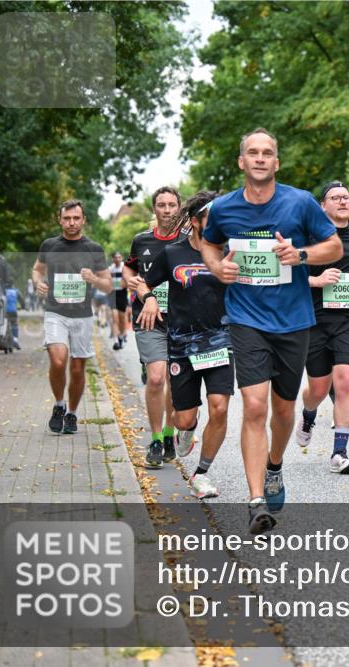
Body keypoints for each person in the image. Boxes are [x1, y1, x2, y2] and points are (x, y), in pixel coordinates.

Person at [201, 128, 341, 534]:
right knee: (254, 406)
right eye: (253, 152)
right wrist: (217, 268)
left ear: (276, 162)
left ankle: (275, 465)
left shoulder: (300, 202)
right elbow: (208, 244)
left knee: (282, 410)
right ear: (241, 161)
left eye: (267, 153)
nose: (260, 158)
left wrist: (301, 254)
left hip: (293, 320)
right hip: (246, 319)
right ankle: (255, 500)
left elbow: (334, 246)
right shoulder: (224, 208)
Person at [137, 190, 230, 497]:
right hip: (182, 345)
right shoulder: (172, 253)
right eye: (212, 218)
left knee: (220, 408)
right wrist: (149, 298)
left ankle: (201, 474)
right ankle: (186, 430)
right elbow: (143, 283)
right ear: (195, 221)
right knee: (183, 418)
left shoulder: (229, 251)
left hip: (220, 341)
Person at [293, 181, 349, 474]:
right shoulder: (309, 237)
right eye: (335, 198)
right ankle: (308, 414)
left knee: (345, 381)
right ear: (322, 206)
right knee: (318, 388)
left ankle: (339, 453)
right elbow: (289, 276)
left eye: (346, 197)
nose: (343, 201)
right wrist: (316, 281)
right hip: (315, 322)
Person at [31, 200, 111, 434]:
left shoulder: (93, 248)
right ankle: (59, 405)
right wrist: (38, 283)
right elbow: (37, 269)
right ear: (60, 220)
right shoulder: (49, 245)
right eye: (67, 218)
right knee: (58, 361)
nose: (72, 222)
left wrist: (93, 279)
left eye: (76, 218)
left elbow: (107, 286)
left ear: (83, 220)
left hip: (82, 316)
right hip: (55, 312)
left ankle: (72, 413)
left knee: (77, 369)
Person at [124, 187, 186, 465]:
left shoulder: (188, 241)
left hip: (181, 320)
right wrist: (130, 279)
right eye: (162, 205)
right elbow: (130, 267)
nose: (167, 210)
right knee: (157, 377)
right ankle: (157, 439)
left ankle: (171, 434)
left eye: (172, 205)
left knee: (174, 380)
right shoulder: (142, 240)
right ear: (154, 209)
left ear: (179, 208)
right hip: (149, 320)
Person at [108, 252, 129, 349]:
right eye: (115, 257)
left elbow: (127, 282)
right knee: (114, 318)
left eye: (119, 257)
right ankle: (115, 341)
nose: (117, 259)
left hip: (122, 295)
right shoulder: (110, 269)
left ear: (122, 258)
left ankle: (122, 335)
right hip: (113, 295)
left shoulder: (125, 268)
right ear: (113, 259)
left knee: (122, 318)